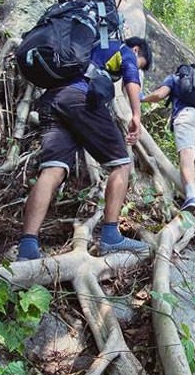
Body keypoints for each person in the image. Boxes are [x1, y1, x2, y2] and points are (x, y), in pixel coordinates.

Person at [17, 36, 154, 260]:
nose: (137, 67)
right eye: (141, 64)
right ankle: (110, 236)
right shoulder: (123, 49)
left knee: (52, 171)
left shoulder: (87, 42)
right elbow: (130, 76)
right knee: (121, 164)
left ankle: (27, 247)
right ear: (137, 49)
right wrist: (136, 116)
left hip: (51, 100)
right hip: (80, 98)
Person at [141, 66, 195, 212]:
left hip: (186, 115)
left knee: (186, 154)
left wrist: (142, 98)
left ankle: (191, 197)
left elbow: (159, 95)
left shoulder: (175, 78)